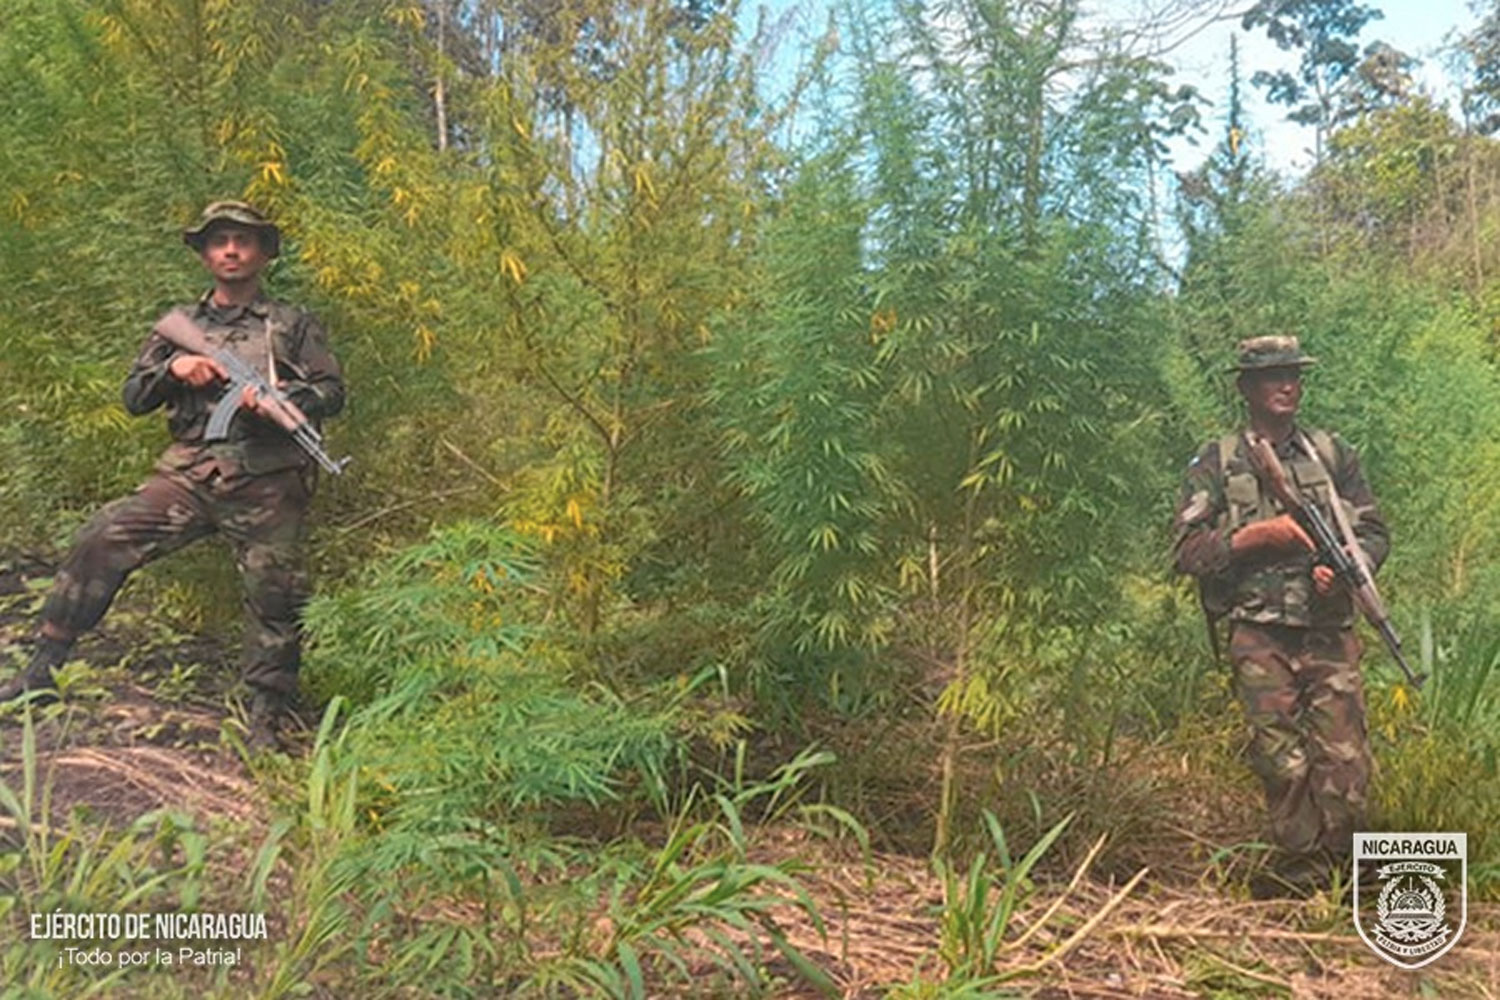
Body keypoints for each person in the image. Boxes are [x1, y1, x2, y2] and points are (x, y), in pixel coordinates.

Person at [0, 201, 345, 749]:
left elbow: (332, 393)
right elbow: (134, 396)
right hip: (190, 473)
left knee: (276, 591)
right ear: (205, 253)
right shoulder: (181, 325)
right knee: (101, 536)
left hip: (268, 478)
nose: (231, 249)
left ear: (263, 253)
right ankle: (43, 669)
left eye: (243, 240)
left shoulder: (292, 323)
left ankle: (268, 712)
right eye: (219, 240)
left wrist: (278, 399)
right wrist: (174, 369)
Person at [1173, 336, 1389, 896]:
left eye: (1293, 374)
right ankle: (1302, 877)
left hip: (1328, 629)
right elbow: (1187, 551)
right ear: (1246, 387)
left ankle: (1349, 877)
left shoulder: (1332, 454)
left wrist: (1346, 569)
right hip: (1259, 632)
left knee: (1345, 762)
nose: (1286, 385)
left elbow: (1372, 531)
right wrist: (1253, 537)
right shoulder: (1217, 461)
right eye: (1272, 376)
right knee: (1281, 761)